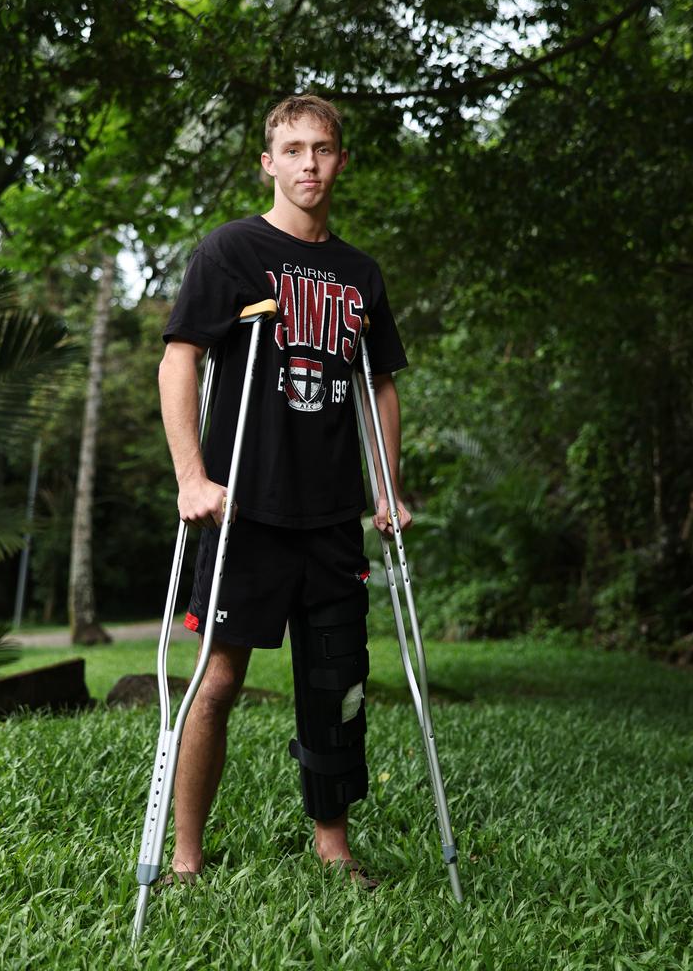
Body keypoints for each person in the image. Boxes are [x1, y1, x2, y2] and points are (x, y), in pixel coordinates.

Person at [158, 94, 411, 888]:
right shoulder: (232, 251)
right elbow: (179, 359)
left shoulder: (359, 274)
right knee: (219, 678)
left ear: (341, 161)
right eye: (294, 149)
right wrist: (192, 477)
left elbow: (382, 386)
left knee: (337, 679)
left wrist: (389, 488)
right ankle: (186, 859)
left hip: (333, 511)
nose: (310, 163)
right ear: (268, 161)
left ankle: (332, 845)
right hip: (248, 509)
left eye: (324, 149)